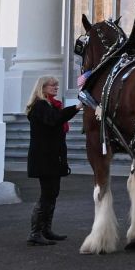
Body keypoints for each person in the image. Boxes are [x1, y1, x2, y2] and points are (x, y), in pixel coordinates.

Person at [24, 75, 79, 246]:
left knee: (52, 194)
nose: (56, 87)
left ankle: (46, 229)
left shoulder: (50, 105)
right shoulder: (40, 106)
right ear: (43, 87)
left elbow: (57, 118)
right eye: (52, 85)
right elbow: (54, 120)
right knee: (46, 195)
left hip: (52, 157)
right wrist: (76, 107)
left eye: (57, 85)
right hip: (44, 158)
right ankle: (35, 233)